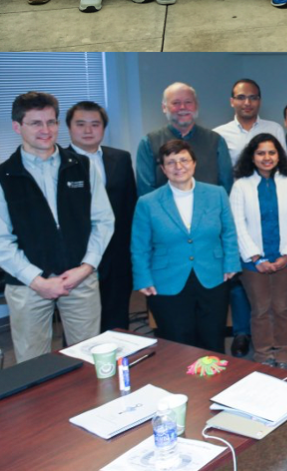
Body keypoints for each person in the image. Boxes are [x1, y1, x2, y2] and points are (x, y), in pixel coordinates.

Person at [0, 92, 114, 363]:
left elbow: (103, 221)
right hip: (28, 285)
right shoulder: (5, 175)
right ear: (17, 126)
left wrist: (86, 267)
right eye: (35, 123)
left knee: (88, 358)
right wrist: (37, 280)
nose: (46, 130)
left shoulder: (82, 166)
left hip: (80, 278)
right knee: (33, 363)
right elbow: (2, 240)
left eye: (51, 122)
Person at [131, 139, 240, 353]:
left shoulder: (217, 194)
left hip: (212, 275)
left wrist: (231, 263)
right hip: (167, 280)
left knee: (212, 339)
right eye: (171, 162)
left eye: (184, 160)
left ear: (194, 163)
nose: (178, 167)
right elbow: (139, 246)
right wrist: (143, 278)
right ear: (163, 169)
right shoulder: (147, 202)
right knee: (177, 343)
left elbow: (229, 232)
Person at [229, 134, 287, 368]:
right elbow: (237, 224)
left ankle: (283, 354)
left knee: (282, 308)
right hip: (253, 261)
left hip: (286, 259)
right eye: (260, 153)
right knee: (260, 309)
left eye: (271, 152)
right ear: (252, 157)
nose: (267, 157)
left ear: (279, 155)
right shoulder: (241, 186)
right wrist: (255, 257)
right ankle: (263, 355)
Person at [65, 100, 137, 332]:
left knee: (117, 322)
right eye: (81, 124)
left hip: (117, 255)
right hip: (77, 258)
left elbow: (130, 207)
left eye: (95, 124)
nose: (88, 130)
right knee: (80, 326)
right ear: (69, 127)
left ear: (104, 128)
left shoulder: (121, 158)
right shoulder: (58, 162)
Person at [136, 82, 233, 195]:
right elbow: (146, 191)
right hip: (164, 207)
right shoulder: (149, 143)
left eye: (188, 102)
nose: (182, 107)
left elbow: (226, 187)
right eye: (176, 103)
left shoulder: (216, 141)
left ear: (196, 105)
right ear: (164, 108)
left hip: (209, 206)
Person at [214, 79, 287, 166]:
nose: (247, 103)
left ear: (260, 101)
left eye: (253, 98)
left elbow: (284, 166)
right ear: (232, 102)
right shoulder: (219, 134)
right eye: (241, 97)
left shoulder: (274, 129)